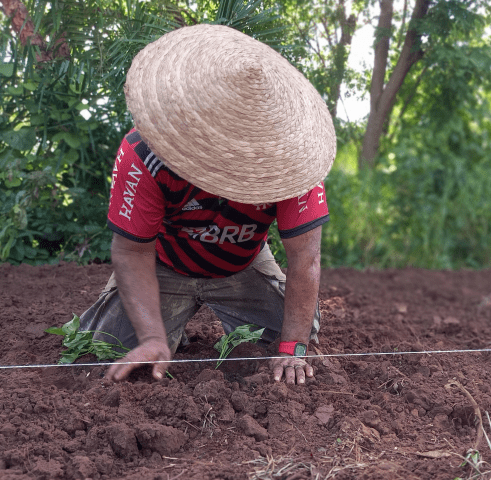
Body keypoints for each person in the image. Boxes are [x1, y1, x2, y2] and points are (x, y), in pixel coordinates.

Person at [78, 24, 336, 386]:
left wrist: (293, 347)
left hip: (242, 263)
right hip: (162, 262)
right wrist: (152, 337)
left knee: (297, 330)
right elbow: (132, 251)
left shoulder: (294, 165)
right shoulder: (146, 152)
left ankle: (183, 322)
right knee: (108, 345)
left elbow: (305, 256)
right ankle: (166, 327)